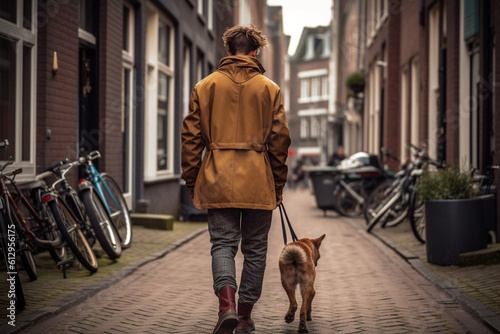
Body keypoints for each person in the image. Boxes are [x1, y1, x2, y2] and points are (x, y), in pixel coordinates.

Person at [181, 25, 291, 334]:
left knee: (223, 245)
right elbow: (280, 142)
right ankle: (244, 317)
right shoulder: (270, 89)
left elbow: (190, 140)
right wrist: (277, 185)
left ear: (228, 51)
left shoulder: (204, 87)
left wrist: (192, 182)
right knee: (255, 249)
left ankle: (225, 307)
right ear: (255, 51)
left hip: (216, 177)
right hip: (258, 181)